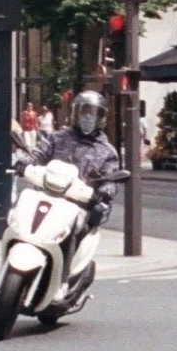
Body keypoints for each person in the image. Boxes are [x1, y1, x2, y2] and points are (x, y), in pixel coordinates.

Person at [33, 79, 121, 235]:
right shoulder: (57, 138)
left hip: (80, 206)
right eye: (84, 112)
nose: (88, 117)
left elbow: (110, 180)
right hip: (48, 197)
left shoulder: (108, 152)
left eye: (93, 113)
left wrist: (103, 193)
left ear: (101, 117)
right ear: (75, 113)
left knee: (81, 234)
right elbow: (39, 154)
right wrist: (26, 162)